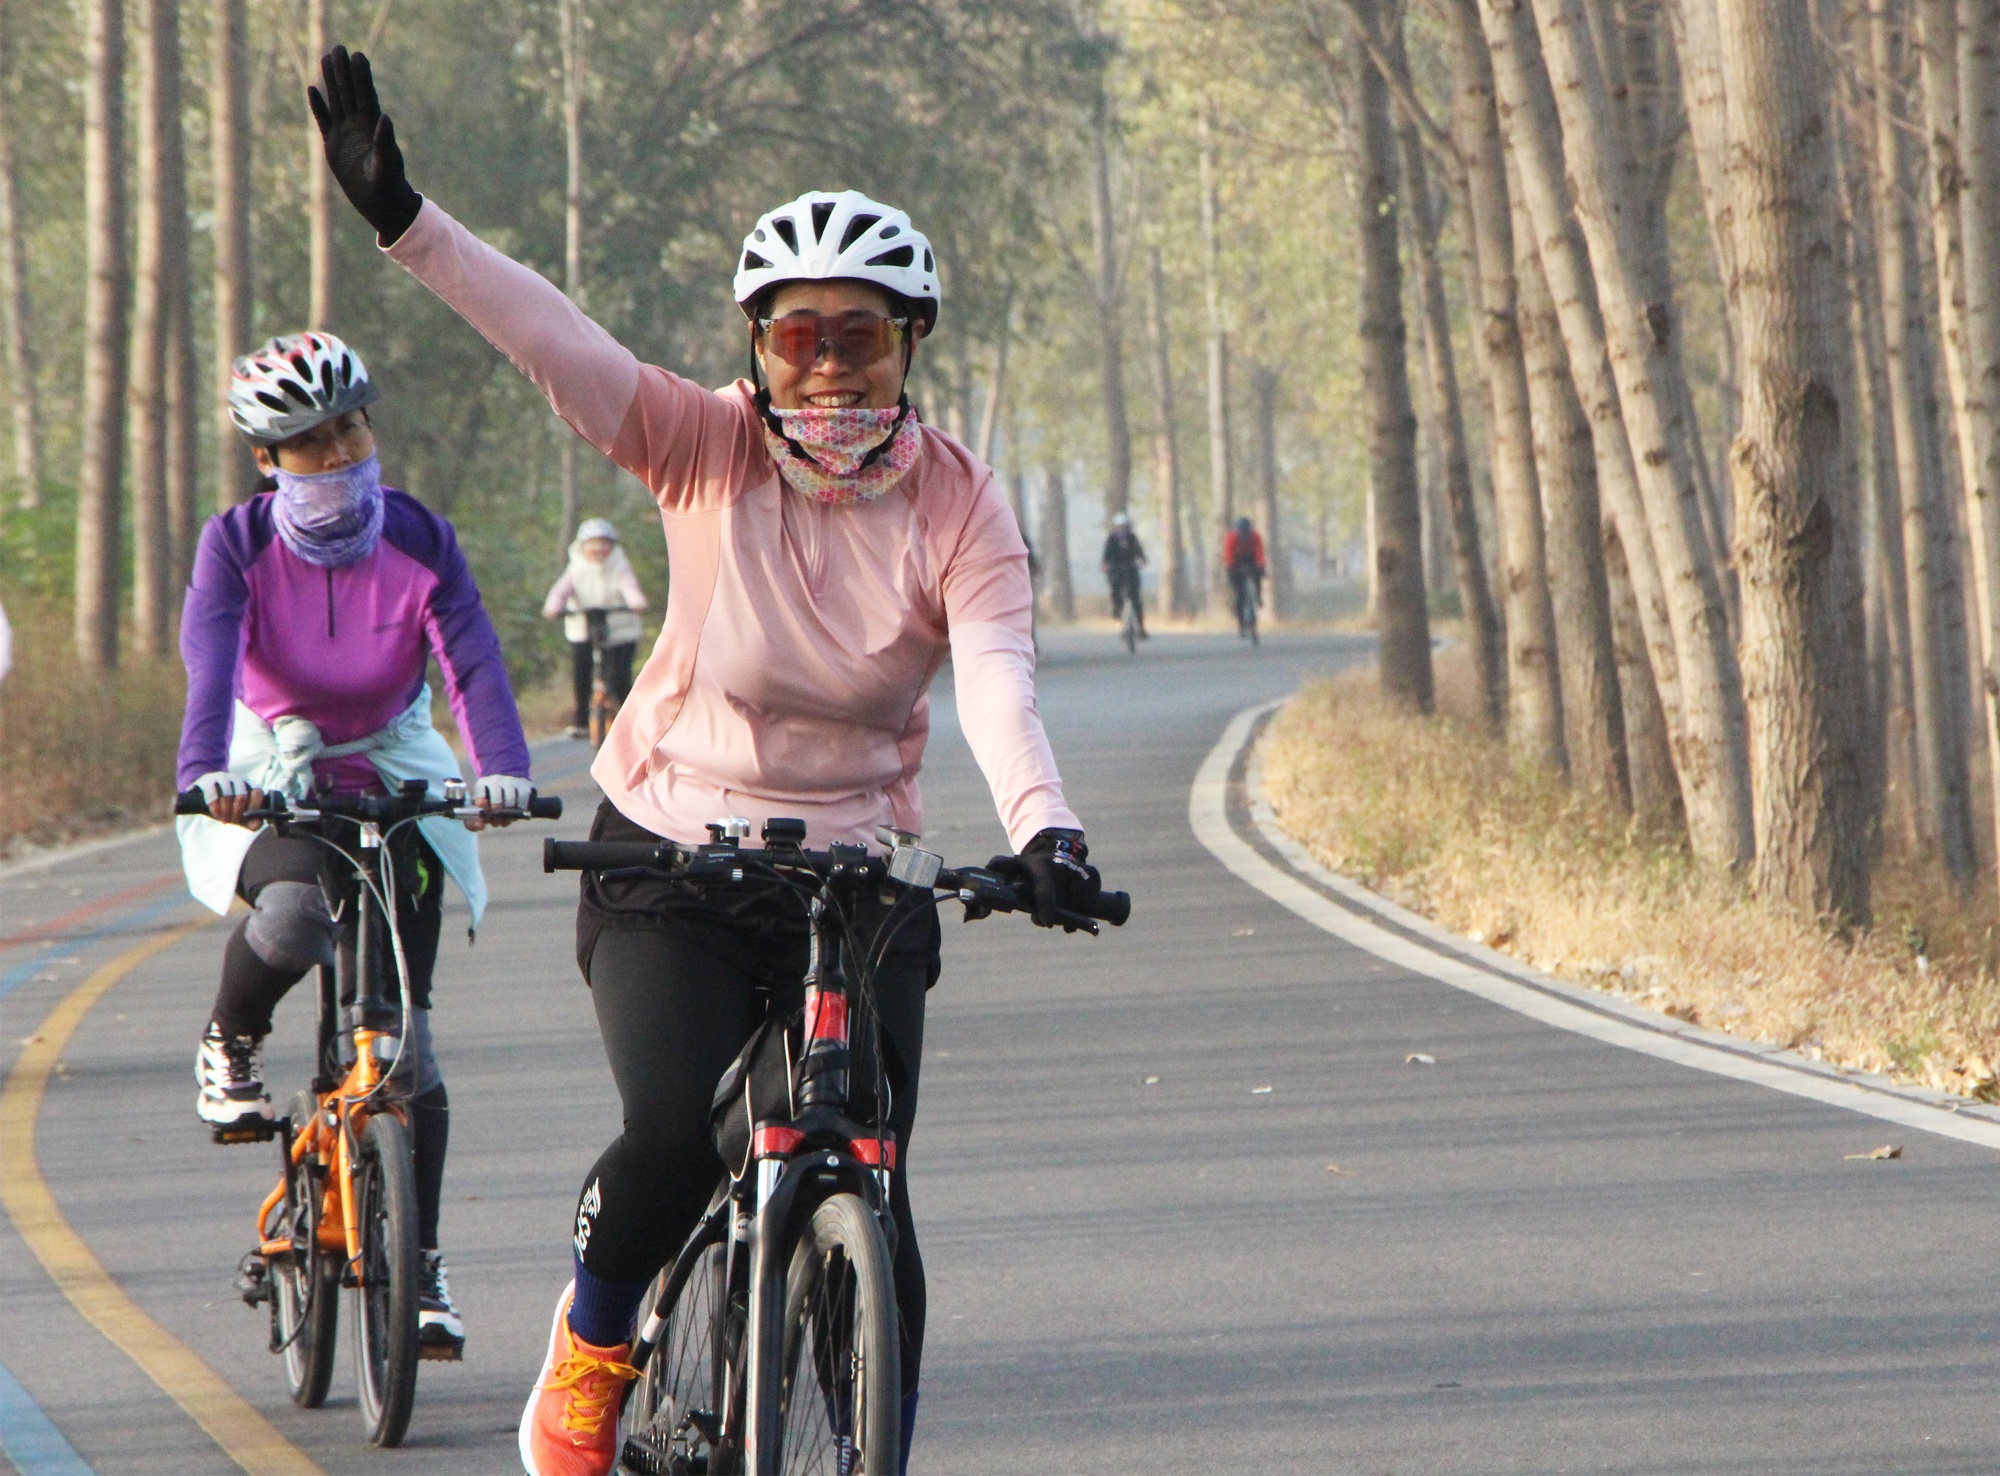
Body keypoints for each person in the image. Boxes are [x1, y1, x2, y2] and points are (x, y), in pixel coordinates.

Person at [312, 47, 1111, 1476]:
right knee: (676, 1140)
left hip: (863, 871)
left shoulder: (961, 506)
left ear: (910, 345)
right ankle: (597, 1345)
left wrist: (1045, 829)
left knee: (874, 1177)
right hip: (667, 855)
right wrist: (408, 220)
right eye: (799, 337)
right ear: (756, 347)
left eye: (859, 338)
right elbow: (560, 343)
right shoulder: (702, 446)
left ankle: (857, 1415)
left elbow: (997, 678)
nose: (827, 366)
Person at [176, 329, 535, 1361]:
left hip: (390, 756)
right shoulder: (234, 544)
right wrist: (209, 776)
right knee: (290, 915)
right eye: (307, 444)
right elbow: (208, 667)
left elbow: (470, 661)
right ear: (266, 460)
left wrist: (499, 767)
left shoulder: (421, 535)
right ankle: (229, 1040)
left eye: (348, 431)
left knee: (409, 1046)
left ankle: (420, 1264)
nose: (336, 457)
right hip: (266, 757)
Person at [542, 517, 648, 738]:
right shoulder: (577, 569)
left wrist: (636, 602)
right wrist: (554, 607)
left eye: (603, 544)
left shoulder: (619, 567)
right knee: (581, 674)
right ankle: (581, 719)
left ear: (612, 546)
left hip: (620, 631)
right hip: (583, 629)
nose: (598, 550)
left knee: (620, 678)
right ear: (583, 547)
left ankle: (629, 722)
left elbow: (630, 588)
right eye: (593, 545)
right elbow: (561, 591)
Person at [1099, 510, 1147, 638]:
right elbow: (1106, 555)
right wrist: (1106, 565)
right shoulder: (1112, 539)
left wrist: (1142, 561)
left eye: (1124, 527)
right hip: (1116, 570)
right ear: (1116, 527)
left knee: (1135, 599)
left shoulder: (1132, 538)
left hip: (1131, 570)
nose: (1122, 529)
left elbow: (1139, 552)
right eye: (1120, 527)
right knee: (1115, 590)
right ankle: (1117, 610)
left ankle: (1141, 628)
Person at [1224, 514, 1265, 635]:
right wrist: (1231, 569)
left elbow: (1259, 552)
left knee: (1258, 577)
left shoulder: (1255, 537)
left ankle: (1258, 596)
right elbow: (1229, 555)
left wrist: (1260, 566)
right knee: (1239, 595)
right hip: (1236, 563)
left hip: (1251, 560)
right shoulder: (1231, 538)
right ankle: (1241, 622)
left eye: (1247, 532)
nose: (1245, 535)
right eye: (1242, 533)